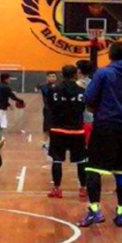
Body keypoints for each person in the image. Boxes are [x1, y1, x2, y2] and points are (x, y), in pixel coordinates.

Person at [78, 42, 122, 228]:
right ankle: (121, 213)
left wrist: (101, 108)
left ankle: (95, 210)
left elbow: (89, 98)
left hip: (104, 126)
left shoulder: (103, 73)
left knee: (93, 169)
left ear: (110, 55)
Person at [47, 65, 88, 199]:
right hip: (76, 130)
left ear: (62, 74)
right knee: (81, 160)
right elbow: (84, 108)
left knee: (57, 160)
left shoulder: (54, 90)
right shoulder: (82, 91)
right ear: (76, 75)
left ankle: (57, 189)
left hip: (58, 129)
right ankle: (83, 188)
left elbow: (50, 108)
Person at [76, 60, 95, 146]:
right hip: (94, 116)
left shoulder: (76, 85)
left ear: (79, 70)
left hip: (82, 118)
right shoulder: (94, 83)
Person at [40, 71, 58, 148]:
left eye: (53, 76)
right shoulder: (44, 87)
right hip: (48, 109)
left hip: (57, 109)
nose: (52, 78)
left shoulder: (59, 86)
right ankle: (45, 141)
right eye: (50, 76)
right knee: (47, 126)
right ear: (47, 78)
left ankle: (55, 141)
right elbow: (47, 93)